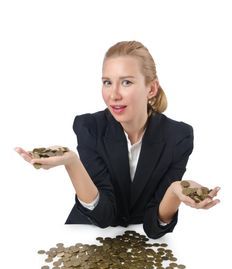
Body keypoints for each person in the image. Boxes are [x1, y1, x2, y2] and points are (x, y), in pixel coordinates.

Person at [15, 40, 220, 239]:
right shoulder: (89, 128)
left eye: (126, 82)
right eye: (107, 82)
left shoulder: (178, 136)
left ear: (151, 89)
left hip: (141, 237)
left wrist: (175, 191)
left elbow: (154, 227)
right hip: (88, 232)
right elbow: (103, 216)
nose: (113, 95)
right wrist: (72, 162)